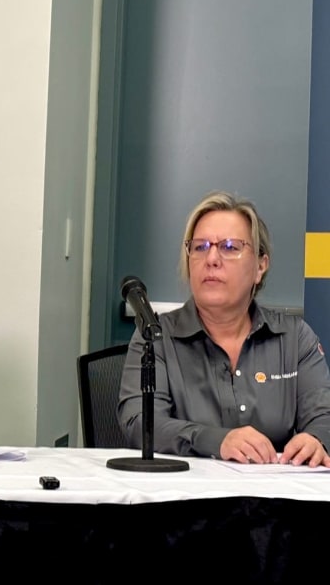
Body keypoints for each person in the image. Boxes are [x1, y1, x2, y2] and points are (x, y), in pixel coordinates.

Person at [118, 190, 330, 467]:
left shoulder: (294, 338)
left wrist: (316, 439)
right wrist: (217, 441)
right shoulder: (156, 337)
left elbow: (323, 413)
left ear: (260, 266)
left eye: (230, 247)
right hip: (185, 501)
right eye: (200, 247)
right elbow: (140, 422)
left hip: (275, 500)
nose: (212, 259)